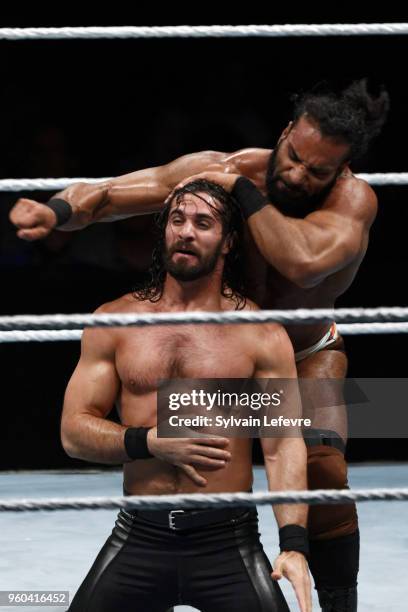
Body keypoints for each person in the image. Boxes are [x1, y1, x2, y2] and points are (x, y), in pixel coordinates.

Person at [11, 79, 390, 611]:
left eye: (317, 172)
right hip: (224, 348)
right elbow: (114, 193)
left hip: (302, 352)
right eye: (294, 156)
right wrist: (57, 213)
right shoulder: (230, 163)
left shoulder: (353, 201)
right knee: (174, 433)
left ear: (342, 170)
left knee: (322, 473)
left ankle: (334, 602)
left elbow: (302, 262)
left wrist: (240, 190)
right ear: (284, 133)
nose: (297, 174)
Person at [61, 179, 312, 612]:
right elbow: (73, 432)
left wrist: (293, 544)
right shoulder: (116, 321)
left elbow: (282, 444)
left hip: (227, 541)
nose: (186, 232)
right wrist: (147, 442)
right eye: (176, 219)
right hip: (140, 535)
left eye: (203, 222)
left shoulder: (260, 334)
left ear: (229, 241)